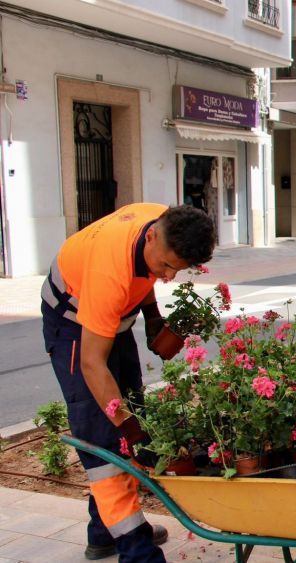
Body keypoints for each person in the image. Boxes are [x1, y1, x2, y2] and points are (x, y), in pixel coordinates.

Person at [41, 204, 215, 561]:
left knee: (133, 409)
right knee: (104, 440)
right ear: (151, 236)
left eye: (176, 271)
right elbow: (92, 363)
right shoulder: (110, 273)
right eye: (164, 266)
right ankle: (137, 551)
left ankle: (104, 531)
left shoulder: (162, 222)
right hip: (73, 325)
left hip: (112, 319)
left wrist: (152, 316)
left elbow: (143, 270)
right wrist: (131, 430)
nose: (167, 277)